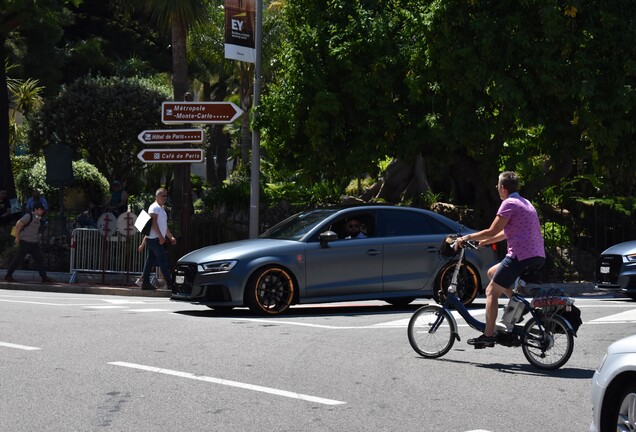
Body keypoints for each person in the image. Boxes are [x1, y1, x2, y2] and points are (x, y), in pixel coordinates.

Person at [457, 171, 545, 348]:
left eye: (498, 185)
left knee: (491, 292)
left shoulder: (509, 204)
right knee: (492, 273)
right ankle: (519, 307)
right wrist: (486, 242)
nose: (496, 188)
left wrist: (466, 238)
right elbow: (506, 232)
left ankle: (488, 335)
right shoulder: (524, 203)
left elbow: (491, 229)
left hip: (520, 256)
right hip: (536, 255)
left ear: (503, 188)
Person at [4, 203, 53, 283]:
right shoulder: (28, 216)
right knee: (18, 259)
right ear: (36, 209)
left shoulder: (38, 218)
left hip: (34, 242)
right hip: (25, 242)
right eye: (41, 210)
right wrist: (17, 237)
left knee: (39, 259)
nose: (42, 212)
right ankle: (8, 275)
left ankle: (44, 277)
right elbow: (18, 224)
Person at [140, 188, 177, 290]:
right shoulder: (154, 208)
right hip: (154, 239)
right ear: (157, 197)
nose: (165, 198)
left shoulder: (161, 209)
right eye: (162, 196)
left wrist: (171, 237)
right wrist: (161, 237)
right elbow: (154, 223)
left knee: (150, 261)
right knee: (163, 261)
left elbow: (164, 226)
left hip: (154, 239)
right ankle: (170, 284)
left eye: (166, 196)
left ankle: (145, 283)